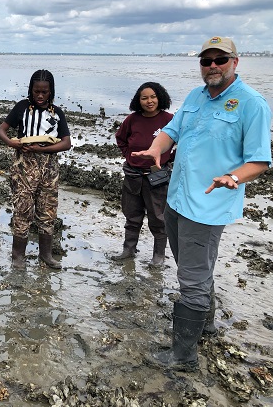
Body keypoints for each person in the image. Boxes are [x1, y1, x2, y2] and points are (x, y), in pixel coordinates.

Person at [133, 36, 272, 371]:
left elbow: (260, 161)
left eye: (219, 60)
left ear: (235, 62)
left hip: (207, 206)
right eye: (206, 61)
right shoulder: (195, 96)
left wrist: (234, 178)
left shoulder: (251, 104)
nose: (212, 66)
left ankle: (183, 357)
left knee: (191, 280)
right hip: (177, 198)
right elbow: (172, 130)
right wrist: (157, 148)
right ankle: (205, 326)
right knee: (193, 269)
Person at [0, 69, 72, 270]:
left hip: (49, 168)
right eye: (36, 91)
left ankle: (45, 254)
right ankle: (18, 255)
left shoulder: (57, 113)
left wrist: (40, 149)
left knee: (47, 210)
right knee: (23, 209)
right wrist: (12, 143)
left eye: (44, 92)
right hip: (24, 166)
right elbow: (1, 130)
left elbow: (66, 143)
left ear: (51, 91)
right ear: (31, 90)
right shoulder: (22, 107)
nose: (40, 95)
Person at [113, 82, 173, 267]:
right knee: (132, 215)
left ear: (160, 97)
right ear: (138, 101)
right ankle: (128, 250)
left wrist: (169, 160)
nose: (149, 101)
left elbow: (181, 142)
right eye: (144, 97)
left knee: (158, 218)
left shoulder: (169, 119)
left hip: (157, 177)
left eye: (153, 97)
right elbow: (121, 139)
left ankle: (158, 256)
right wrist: (129, 156)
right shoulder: (132, 119)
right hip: (133, 175)